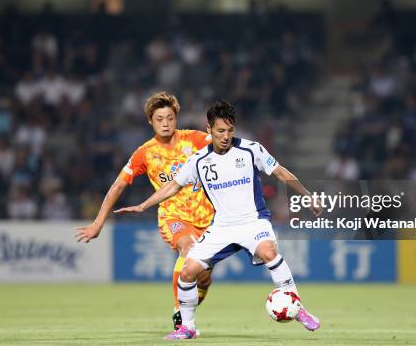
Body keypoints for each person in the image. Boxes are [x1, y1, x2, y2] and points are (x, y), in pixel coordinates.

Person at [118, 99, 321, 339]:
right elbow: (172, 187)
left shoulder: (250, 149)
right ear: (209, 130)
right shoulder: (198, 160)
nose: (226, 136)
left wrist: (307, 195)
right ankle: (187, 327)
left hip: (252, 221)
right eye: (220, 131)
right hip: (222, 226)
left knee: (269, 252)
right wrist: (143, 205)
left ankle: (297, 307)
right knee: (187, 272)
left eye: (230, 130)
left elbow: (279, 171)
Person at [75, 91, 215, 329]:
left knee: (202, 276)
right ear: (151, 121)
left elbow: (227, 149)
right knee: (188, 247)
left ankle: (189, 303)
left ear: (176, 118)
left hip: (209, 220)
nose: (165, 123)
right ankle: (180, 313)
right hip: (173, 217)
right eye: (159, 119)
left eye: (170, 118)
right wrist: (99, 222)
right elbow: (118, 185)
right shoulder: (145, 153)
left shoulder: (195, 140)